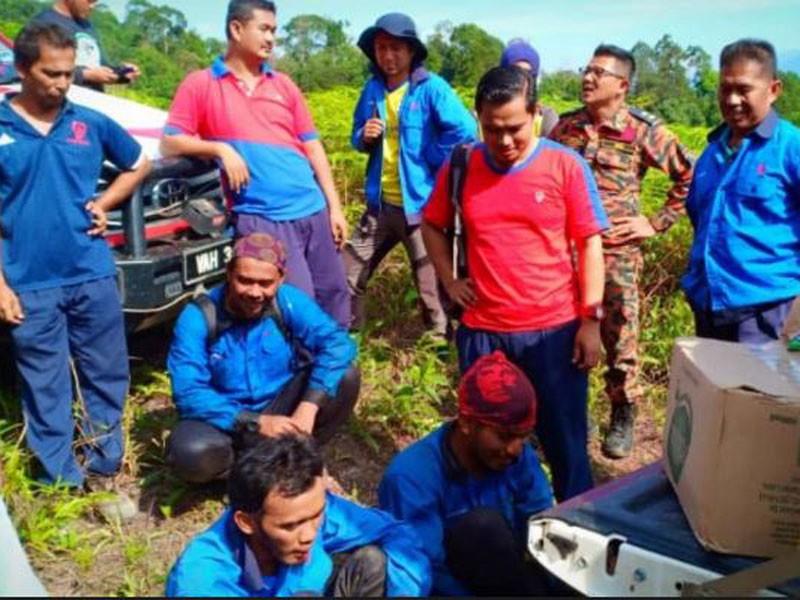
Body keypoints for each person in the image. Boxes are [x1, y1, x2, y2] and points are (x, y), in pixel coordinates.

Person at [422, 66, 608, 502]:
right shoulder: (463, 165)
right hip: (484, 332)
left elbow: (590, 246)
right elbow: (432, 226)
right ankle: (495, 534)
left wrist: (591, 320)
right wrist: (450, 281)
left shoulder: (565, 166)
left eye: (514, 129)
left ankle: (577, 529)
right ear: (477, 118)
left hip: (554, 331)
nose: (503, 142)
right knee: (484, 445)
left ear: (537, 115)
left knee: (565, 444)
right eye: (491, 129)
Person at [0, 23, 150, 490]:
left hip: (91, 270)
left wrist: (105, 204)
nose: (63, 83)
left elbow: (138, 162)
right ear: (22, 68)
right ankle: (60, 481)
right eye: (52, 74)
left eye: (68, 74)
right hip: (27, 281)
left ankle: (103, 465)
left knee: (105, 371)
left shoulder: (89, 122)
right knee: (46, 385)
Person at [161, 0, 350, 328]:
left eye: (274, 31)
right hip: (263, 217)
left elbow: (313, 146)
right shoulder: (202, 84)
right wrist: (220, 148)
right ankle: (296, 376)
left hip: (312, 208)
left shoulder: (283, 84)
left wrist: (334, 207)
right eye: (264, 29)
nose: (271, 38)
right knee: (292, 305)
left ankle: (335, 374)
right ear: (236, 29)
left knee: (333, 293)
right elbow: (170, 141)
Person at [549, 44, 694, 459]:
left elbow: (690, 175)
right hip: (567, 255)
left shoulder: (643, 130)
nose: (588, 78)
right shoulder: (567, 127)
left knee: (619, 339)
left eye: (599, 72)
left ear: (622, 85)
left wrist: (654, 222)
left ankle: (623, 413)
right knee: (563, 338)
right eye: (587, 69)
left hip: (616, 256)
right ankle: (576, 414)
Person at [166, 233, 360, 484]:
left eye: (265, 283)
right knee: (190, 452)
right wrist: (254, 423)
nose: (255, 292)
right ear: (229, 274)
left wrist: (308, 406)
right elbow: (188, 391)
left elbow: (337, 344)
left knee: (346, 377)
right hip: (227, 418)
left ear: (281, 278)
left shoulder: (288, 301)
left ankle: (296, 454)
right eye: (245, 281)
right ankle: (257, 468)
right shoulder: (199, 316)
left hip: (281, 405)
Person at [379, 351, 556, 596]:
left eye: (524, 436)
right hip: (446, 587)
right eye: (504, 436)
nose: (516, 449)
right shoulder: (411, 478)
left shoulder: (516, 457)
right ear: (466, 423)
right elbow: (424, 569)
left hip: (507, 574)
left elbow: (541, 524)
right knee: (482, 527)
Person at [166, 434, 431, 597]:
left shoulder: (310, 510)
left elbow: (397, 533)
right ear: (246, 522)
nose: (309, 534)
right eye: (289, 526)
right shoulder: (202, 578)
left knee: (373, 563)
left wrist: (405, 592)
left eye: (316, 515)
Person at [344, 13, 477, 337]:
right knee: (346, 275)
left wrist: (432, 155)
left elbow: (466, 130)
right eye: (381, 48)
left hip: (421, 207)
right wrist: (365, 135)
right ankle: (346, 340)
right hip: (380, 206)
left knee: (431, 287)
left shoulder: (430, 89)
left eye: (396, 48)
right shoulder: (372, 90)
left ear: (411, 51)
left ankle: (438, 346)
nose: (388, 56)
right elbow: (355, 136)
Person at [682, 39, 800, 343]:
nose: (732, 100)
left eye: (744, 89)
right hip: (708, 306)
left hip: (766, 309)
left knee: (756, 390)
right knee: (714, 388)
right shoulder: (710, 154)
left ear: (773, 90)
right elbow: (700, 220)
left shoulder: (790, 147)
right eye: (725, 89)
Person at [30, 0, 140, 92]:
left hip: (92, 101)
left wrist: (121, 74)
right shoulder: (44, 22)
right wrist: (86, 75)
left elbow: (100, 65)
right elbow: (38, 68)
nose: (92, 6)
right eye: (89, 1)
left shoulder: (87, 26)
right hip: (62, 103)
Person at [499, 39, 558, 137]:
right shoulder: (482, 115)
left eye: (527, 73)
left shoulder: (546, 117)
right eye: (515, 72)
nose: (521, 79)